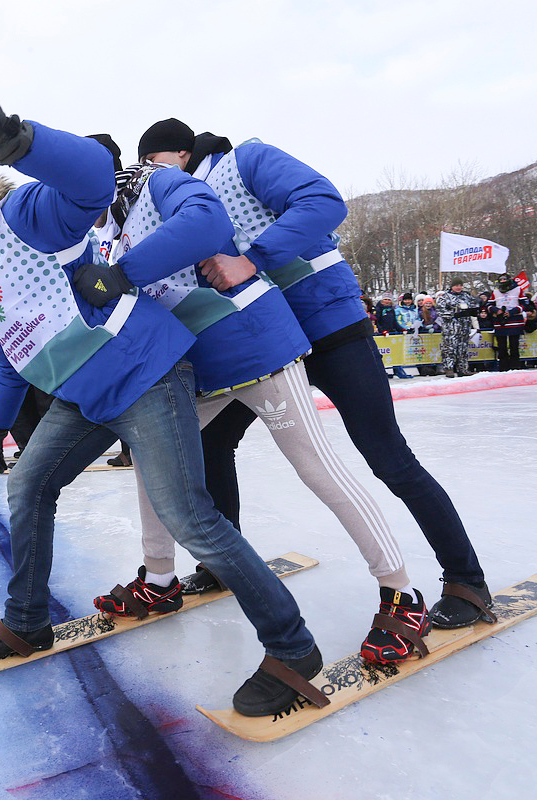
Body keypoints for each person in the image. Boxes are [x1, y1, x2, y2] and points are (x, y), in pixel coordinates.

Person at [0, 92, 325, 717]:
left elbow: (91, 179)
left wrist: (13, 141)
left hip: (146, 374)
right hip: (88, 398)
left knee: (188, 516)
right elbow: (7, 360)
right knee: (28, 484)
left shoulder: (21, 218)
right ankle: (25, 620)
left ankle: (292, 649)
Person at [83, 153, 424, 665]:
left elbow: (204, 224)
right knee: (151, 457)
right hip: (205, 365)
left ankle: (401, 594)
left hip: (255, 342)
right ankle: (158, 577)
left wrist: (120, 275)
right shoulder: (112, 228)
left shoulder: (158, 182)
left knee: (317, 467)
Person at [151, 118, 490, 627]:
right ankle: (223, 562)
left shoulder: (245, 160)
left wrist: (254, 259)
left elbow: (324, 201)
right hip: (262, 342)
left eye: (152, 167)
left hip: (326, 325)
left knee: (386, 454)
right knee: (212, 443)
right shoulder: (181, 203)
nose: (152, 181)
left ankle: (466, 579)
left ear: (178, 154)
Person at [436, 279, 479, 378]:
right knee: (450, 349)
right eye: (456, 285)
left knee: (463, 349)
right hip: (451, 328)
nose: (458, 287)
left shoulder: (466, 296)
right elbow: (440, 311)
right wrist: (455, 314)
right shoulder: (445, 297)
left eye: (460, 285)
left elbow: (474, 306)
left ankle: (463, 369)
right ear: (452, 286)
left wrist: (472, 312)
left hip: (465, 327)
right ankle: (449, 369)